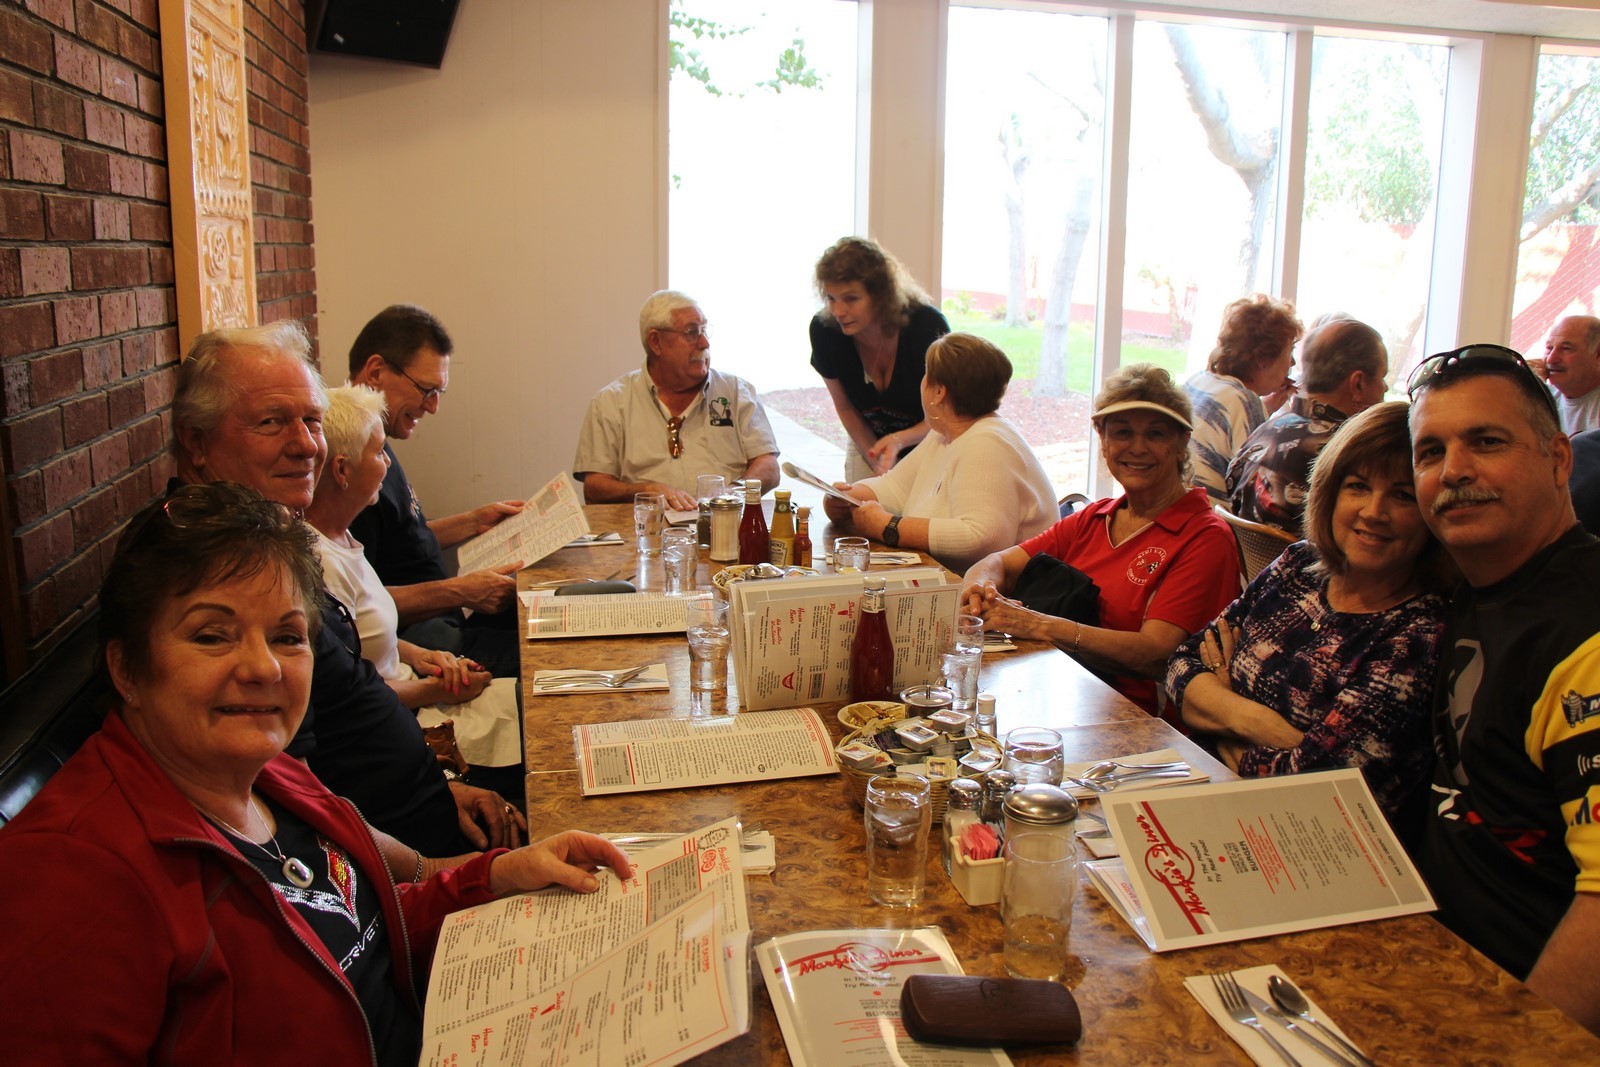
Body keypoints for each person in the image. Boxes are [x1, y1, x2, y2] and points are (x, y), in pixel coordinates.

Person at [0, 483, 632, 1064]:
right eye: (213, 636)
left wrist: (498, 875)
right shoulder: (70, 876)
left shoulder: (269, 774)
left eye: (287, 636)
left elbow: (356, 927)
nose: (264, 669)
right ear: (127, 669)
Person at [171, 320, 523, 860]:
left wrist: (441, 787)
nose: (305, 445)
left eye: (312, 421)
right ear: (196, 443)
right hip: (399, 855)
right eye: (271, 422)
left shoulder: (267, 544)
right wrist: (440, 873)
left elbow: (352, 704)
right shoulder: (217, 575)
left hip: (425, 799)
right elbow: (297, 803)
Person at [1407, 342, 1600, 1033]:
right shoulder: (1478, 586)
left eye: (1486, 442)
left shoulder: (1584, 635)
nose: (1454, 470)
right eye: (1430, 452)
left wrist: (1515, 1045)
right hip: (1422, 956)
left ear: (1559, 459)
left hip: (1511, 1009)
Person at [1168, 401, 1448, 827]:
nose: (1374, 512)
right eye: (1358, 486)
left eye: (1403, 495)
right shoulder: (1300, 565)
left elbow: (1317, 787)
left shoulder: (1416, 637)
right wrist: (1256, 722)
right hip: (1204, 800)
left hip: (1304, 843)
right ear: (1330, 493)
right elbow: (1181, 664)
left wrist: (1217, 712)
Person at [961, 364, 1239, 717]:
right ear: (1103, 439)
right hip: (1068, 696)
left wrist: (1038, 624)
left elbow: (1156, 653)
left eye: (1155, 434)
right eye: (1122, 432)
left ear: (1182, 443)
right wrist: (978, 594)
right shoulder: (1096, 517)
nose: (1137, 448)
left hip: (1140, 721)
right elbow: (997, 562)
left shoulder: (1205, 538)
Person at [306, 385, 523, 790]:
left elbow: (371, 632)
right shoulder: (321, 564)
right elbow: (358, 695)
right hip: (401, 723)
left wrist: (424, 656)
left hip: (414, 685)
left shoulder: (343, 538)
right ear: (341, 471)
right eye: (378, 453)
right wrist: (435, 689)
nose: (388, 463)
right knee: (534, 716)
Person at [345, 305, 524, 678]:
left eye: (439, 392)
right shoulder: (350, 460)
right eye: (427, 390)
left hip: (447, 615)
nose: (434, 407)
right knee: (560, 652)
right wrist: (460, 591)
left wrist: (474, 522)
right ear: (375, 371)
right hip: (425, 639)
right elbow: (358, 603)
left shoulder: (376, 436)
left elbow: (400, 541)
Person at [820, 333, 1056, 573]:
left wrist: (889, 527)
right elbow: (896, 488)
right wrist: (847, 498)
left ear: (939, 392)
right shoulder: (944, 434)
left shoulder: (988, 443)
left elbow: (982, 538)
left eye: (926, 375)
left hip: (1002, 591)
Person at [573, 290, 780, 511]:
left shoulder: (737, 392)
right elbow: (595, 487)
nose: (704, 343)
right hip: (646, 527)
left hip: (725, 522)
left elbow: (769, 466)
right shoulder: (611, 403)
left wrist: (730, 495)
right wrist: (647, 491)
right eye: (691, 332)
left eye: (704, 330)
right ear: (656, 342)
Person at [1226, 315, 1389, 531]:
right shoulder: (1349, 452)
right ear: (1357, 384)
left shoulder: (1264, 431)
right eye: (1382, 377)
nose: (1386, 388)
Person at [810, 236, 951, 481]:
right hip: (868, 439)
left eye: (851, 299)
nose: (838, 311)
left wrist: (898, 441)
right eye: (831, 298)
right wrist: (875, 457)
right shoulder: (825, 331)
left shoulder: (926, 327)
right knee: (860, 503)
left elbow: (948, 412)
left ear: (881, 294)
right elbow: (845, 407)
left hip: (932, 439)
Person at [1185, 294, 1304, 500]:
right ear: (1264, 359)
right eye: (1290, 351)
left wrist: (1265, 408)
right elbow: (1254, 487)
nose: (1292, 363)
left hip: (1177, 508)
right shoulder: (1245, 401)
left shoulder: (1199, 381)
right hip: (1209, 514)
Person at [1529, 314, 1600, 433]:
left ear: (1598, 355)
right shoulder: (1542, 397)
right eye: (1549, 348)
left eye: (1566, 348)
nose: (1551, 359)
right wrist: (1532, 388)